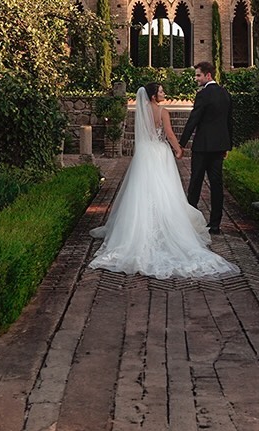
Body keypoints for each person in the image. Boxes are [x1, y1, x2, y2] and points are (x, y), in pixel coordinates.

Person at [89, 82, 239, 279]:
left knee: (143, 191)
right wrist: (178, 149)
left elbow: (143, 135)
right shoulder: (163, 111)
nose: (164, 92)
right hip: (159, 154)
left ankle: (138, 229)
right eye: (161, 91)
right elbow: (168, 134)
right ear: (153, 96)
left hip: (144, 155)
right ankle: (166, 226)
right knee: (164, 191)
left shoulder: (141, 113)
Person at [178, 61, 233, 235]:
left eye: (198, 75)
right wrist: (227, 145)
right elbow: (229, 121)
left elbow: (193, 119)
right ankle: (215, 224)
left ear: (208, 75)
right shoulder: (225, 93)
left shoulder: (203, 94)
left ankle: (189, 222)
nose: (196, 79)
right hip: (219, 147)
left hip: (202, 147)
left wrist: (181, 143)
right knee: (217, 185)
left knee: (195, 183)